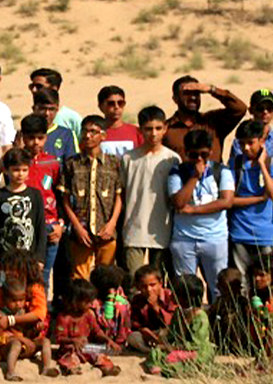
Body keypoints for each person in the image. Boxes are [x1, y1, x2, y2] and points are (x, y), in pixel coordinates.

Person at [168, 129, 234, 300]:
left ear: (211, 152)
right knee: (186, 289)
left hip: (214, 238)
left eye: (203, 154)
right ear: (185, 153)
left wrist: (193, 210)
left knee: (219, 287)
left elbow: (226, 202)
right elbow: (178, 202)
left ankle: (218, 315)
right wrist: (194, 177)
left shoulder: (222, 171)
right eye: (193, 155)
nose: (199, 159)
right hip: (184, 238)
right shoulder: (177, 172)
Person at [60, 115, 123, 280]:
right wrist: (77, 227)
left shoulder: (114, 163)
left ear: (103, 136)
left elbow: (119, 196)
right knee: (79, 277)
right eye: (85, 131)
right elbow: (65, 199)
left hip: (106, 230)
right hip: (81, 232)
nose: (88, 136)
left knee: (106, 277)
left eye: (93, 132)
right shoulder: (72, 163)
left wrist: (112, 224)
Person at [121, 105, 179, 276]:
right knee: (134, 279)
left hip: (162, 230)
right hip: (134, 229)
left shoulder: (172, 159)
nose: (153, 134)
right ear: (140, 130)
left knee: (158, 280)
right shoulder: (129, 158)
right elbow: (121, 193)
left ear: (165, 129)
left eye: (158, 128)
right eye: (148, 129)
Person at [228, 119, 273, 291]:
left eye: (250, 143)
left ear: (261, 141)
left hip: (264, 234)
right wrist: (259, 199)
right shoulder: (235, 164)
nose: (246, 148)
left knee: (266, 283)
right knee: (242, 284)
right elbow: (229, 200)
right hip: (239, 232)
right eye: (241, 143)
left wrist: (262, 166)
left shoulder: (271, 163)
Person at [0, 254, 55, 380]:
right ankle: (10, 372)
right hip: (9, 343)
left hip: (27, 341)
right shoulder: (5, 291)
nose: (8, 273)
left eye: (11, 270)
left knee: (45, 342)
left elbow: (38, 314)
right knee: (16, 344)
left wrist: (34, 328)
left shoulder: (34, 288)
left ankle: (46, 368)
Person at [18, 114, 65, 293]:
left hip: (49, 227)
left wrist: (60, 225)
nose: (36, 142)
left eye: (40, 137)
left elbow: (61, 197)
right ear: (23, 137)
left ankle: (41, 311)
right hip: (23, 227)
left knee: (43, 277)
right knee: (20, 277)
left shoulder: (53, 163)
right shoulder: (17, 162)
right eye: (31, 138)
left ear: (46, 137)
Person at [163, 75, 248, 161]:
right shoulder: (165, 129)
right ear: (175, 99)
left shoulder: (213, 121)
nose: (193, 97)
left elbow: (240, 109)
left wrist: (212, 90)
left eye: (196, 93)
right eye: (187, 94)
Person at [0, 148, 46, 265]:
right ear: (6, 170)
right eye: (16, 170)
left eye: (24, 170)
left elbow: (40, 227)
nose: (20, 174)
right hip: (5, 258)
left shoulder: (35, 195)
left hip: (30, 258)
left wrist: (40, 258)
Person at [53, 279, 121, 376]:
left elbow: (97, 331)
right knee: (70, 357)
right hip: (70, 348)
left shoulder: (88, 315)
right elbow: (59, 338)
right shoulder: (64, 317)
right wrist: (73, 341)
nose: (90, 305)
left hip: (86, 347)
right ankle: (72, 369)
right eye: (87, 302)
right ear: (75, 301)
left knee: (99, 355)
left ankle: (107, 368)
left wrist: (108, 340)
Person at [231, 89, 273, 176]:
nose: (265, 112)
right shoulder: (240, 142)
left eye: (269, 108)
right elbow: (236, 171)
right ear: (251, 110)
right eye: (260, 108)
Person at [126, 264, 178, 352]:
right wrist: (143, 330)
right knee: (133, 337)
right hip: (149, 334)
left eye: (152, 285)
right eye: (144, 287)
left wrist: (155, 307)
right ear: (138, 287)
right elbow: (135, 322)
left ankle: (162, 348)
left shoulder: (169, 297)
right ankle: (153, 350)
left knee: (164, 333)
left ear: (160, 284)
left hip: (166, 333)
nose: (149, 289)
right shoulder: (138, 299)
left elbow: (171, 322)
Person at [29, 68, 81, 138]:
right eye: (32, 86)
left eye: (39, 86)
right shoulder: (30, 119)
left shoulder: (70, 118)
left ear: (54, 88)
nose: (34, 90)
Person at [32, 88, 77, 162]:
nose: (47, 113)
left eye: (51, 109)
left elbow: (72, 163)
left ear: (57, 109)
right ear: (34, 109)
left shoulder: (66, 135)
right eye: (43, 109)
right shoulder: (25, 134)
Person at [97, 86, 142, 157]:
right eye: (111, 103)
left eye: (120, 103)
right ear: (101, 106)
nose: (116, 107)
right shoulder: (94, 134)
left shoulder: (137, 132)